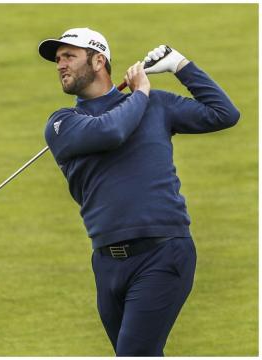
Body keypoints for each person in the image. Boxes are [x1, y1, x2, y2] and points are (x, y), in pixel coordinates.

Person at [38, 28, 239, 355]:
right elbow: (113, 131)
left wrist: (180, 66)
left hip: (163, 251)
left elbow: (224, 114)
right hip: (106, 263)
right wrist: (141, 94)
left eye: (69, 56)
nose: (61, 65)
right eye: (58, 59)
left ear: (98, 60)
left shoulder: (157, 105)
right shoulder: (63, 123)